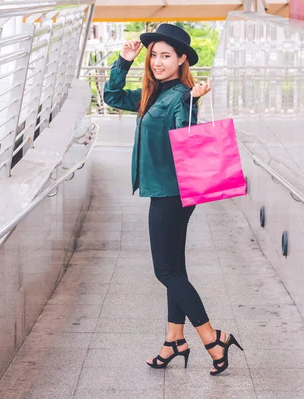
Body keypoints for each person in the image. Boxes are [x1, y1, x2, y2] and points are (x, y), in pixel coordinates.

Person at [103, 23, 243, 375]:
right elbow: (111, 96)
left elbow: (185, 133)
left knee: (164, 270)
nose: (157, 62)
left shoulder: (180, 95)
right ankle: (174, 341)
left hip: (172, 193)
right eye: (154, 56)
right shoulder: (153, 94)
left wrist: (193, 101)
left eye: (166, 56)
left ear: (183, 60)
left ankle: (213, 338)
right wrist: (123, 61)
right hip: (164, 190)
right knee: (174, 269)